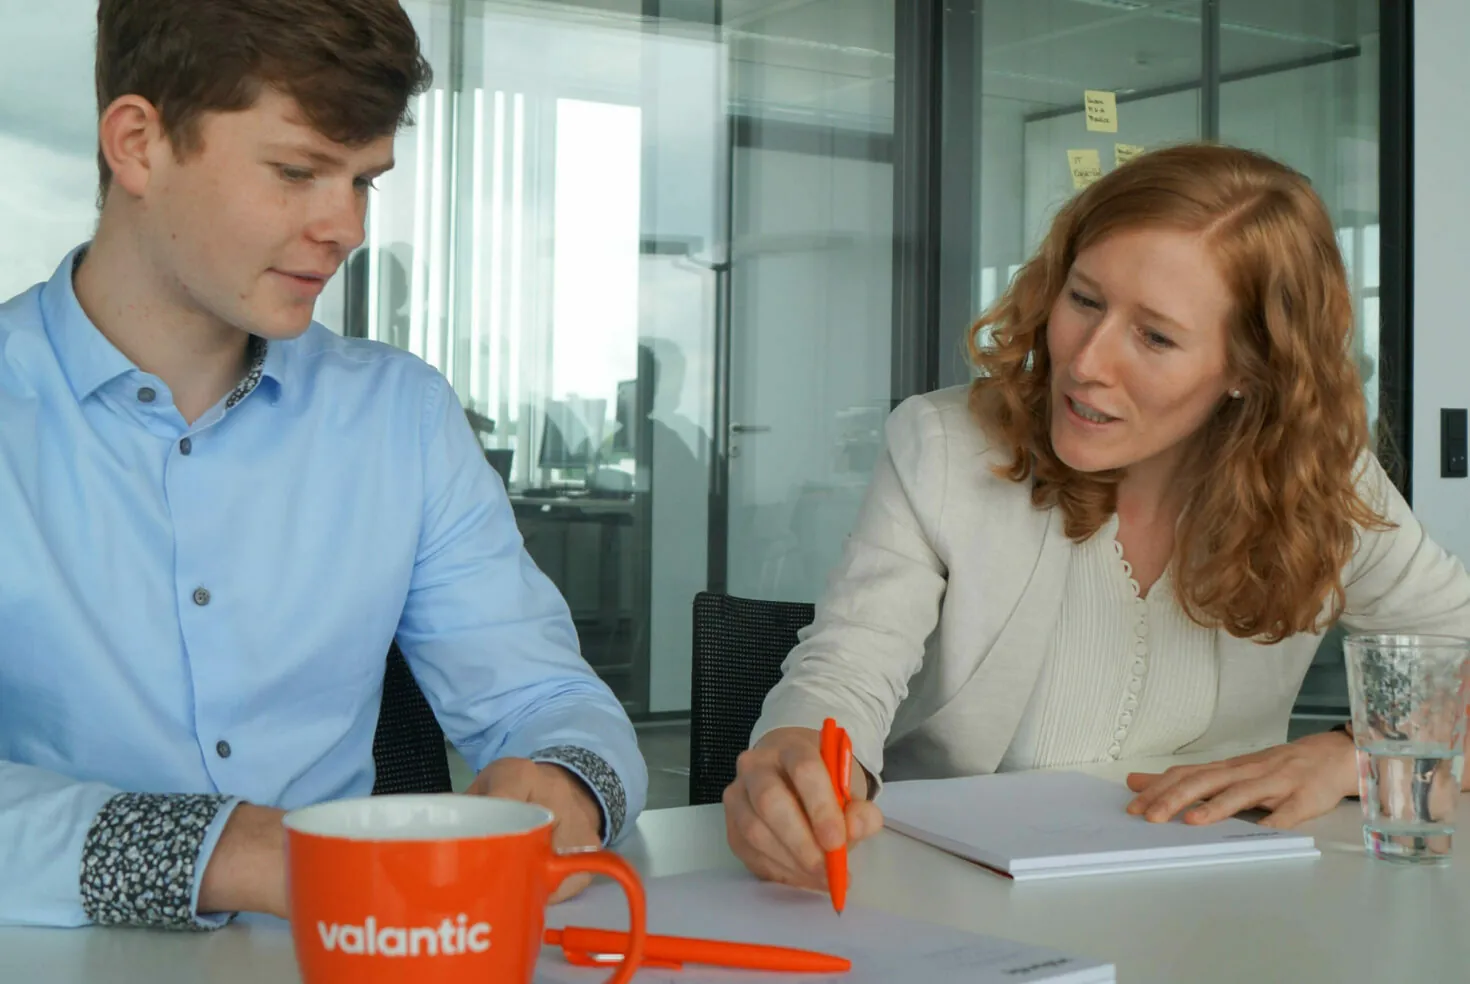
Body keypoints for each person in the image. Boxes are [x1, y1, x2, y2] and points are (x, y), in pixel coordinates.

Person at [0, 0, 646, 930]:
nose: (347, 227)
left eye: (364, 182)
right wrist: (231, 853)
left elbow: (545, 697)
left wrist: (562, 788)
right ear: (138, 144)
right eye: (298, 171)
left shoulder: (402, 417)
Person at [723, 143, 1470, 890]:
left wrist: (1351, 752)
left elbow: (1457, 650)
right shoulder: (943, 447)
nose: (1086, 362)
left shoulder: (1317, 482)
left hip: (1224, 896)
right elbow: (845, 669)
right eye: (1084, 300)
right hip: (955, 891)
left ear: (1250, 367)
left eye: (1155, 336)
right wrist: (800, 755)